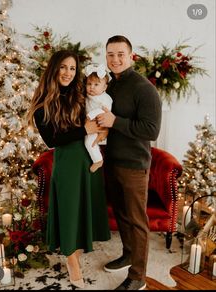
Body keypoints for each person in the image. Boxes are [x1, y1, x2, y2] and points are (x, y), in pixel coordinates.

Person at [27, 50, 111, 289]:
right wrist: (86, 129)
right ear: (54, 69)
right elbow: (53, 140)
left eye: (72, 68)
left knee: (82, 208)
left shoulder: (79, 94)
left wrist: (101, 129)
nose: (68, 73)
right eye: (63, 67)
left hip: (87, 158)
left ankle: (77, 250)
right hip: (67, 162)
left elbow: (97, 116)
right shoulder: (43, 102)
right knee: (68, 211)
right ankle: (72, 261)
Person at [96, 35, 162, 290]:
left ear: (131, 56)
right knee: (122, 214)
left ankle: (138, 276)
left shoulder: (144, 88)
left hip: (134, 165)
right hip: (112, 161)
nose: (115, 59)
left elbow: (151, 130)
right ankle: (128, 254)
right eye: (110, 54)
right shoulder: (111, 84)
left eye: (120, 54)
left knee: (137, 220)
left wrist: (116, 122)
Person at [84, 63, 113, 172]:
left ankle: (98, 160)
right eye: (89, 84)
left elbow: (105, 110)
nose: (91, 87)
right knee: (87, 141)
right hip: (88, 124)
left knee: (89, 142)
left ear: (104, 87)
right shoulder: (88, 96)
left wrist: (91, 115)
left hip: (98, 123)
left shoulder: (105, 98)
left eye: (96, 84)